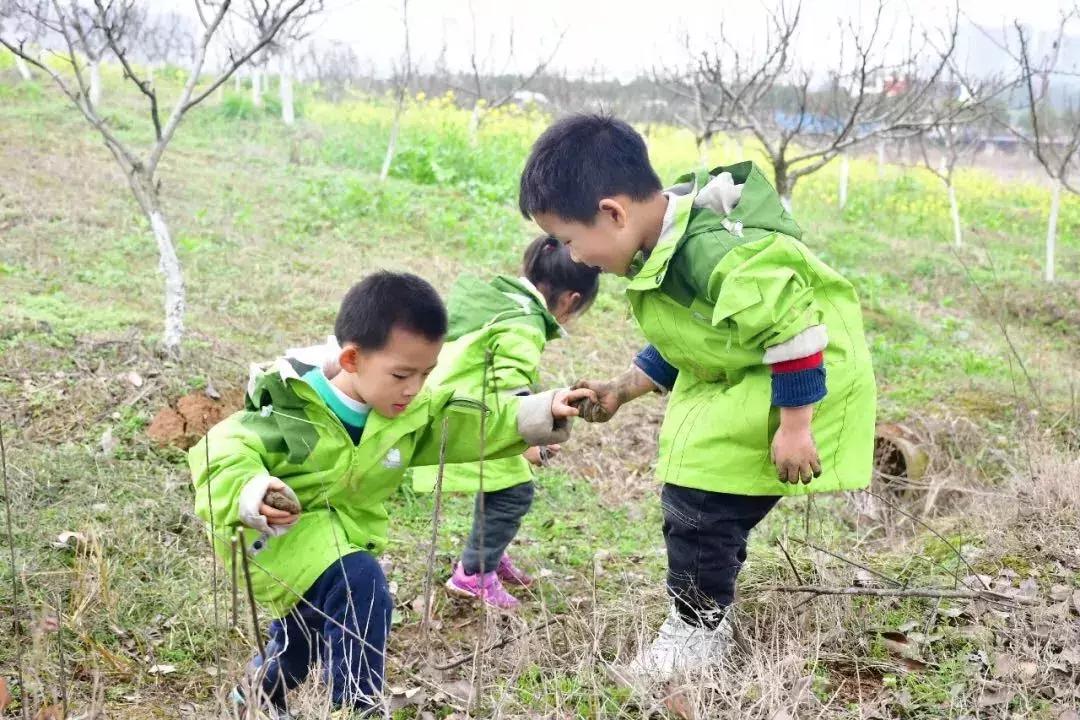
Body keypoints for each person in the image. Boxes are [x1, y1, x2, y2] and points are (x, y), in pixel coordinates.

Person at [517, 114, 876, 682]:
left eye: (568, 239)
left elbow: (795, 332)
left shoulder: (712, 253)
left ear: (613, 213)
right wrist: (622, 390)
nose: (574, 257)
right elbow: (696, 335)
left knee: (700, 503)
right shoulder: (661, 245)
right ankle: (709, 608)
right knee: (703, 499)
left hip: (802, 379)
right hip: (752, 373)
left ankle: (697, 628)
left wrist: (795, 427)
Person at [188, 271, 594, 715]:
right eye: (402, 374)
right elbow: (221, 448)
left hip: (341, 535)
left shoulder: (407, 410)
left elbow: (467, 422)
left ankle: (258, 692)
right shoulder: (291, 405)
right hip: (273, 536)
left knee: (308, 626)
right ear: (351, 359)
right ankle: (358, 706)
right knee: (360, 584)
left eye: (426, 374)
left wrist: (536, 411)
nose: (414, 388)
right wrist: (251, 489)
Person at [411, 235, 601, 609]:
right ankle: (474, 574)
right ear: (570, 300)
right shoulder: (525, 327)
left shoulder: (501, 302)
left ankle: (489, 556)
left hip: (452, 406)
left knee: (500, 489)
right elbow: (509, 389)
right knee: (514, 492)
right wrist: (530, 443)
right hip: (470, 418)